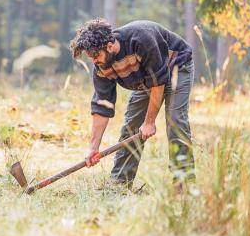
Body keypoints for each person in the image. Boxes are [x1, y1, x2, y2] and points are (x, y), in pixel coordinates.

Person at [70, 19, 195, 188]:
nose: (94, 61)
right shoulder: (101, 66)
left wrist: (149, 122)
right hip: (145, 79)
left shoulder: (141, 39)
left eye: (96, 56)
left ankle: (183, 184)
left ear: (109, 45)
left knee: (175, 122)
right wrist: (93, 147)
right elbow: (102, 106)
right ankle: (119, 183)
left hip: (176, 66)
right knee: (132, 127)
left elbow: (158, 83)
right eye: (90, 57)